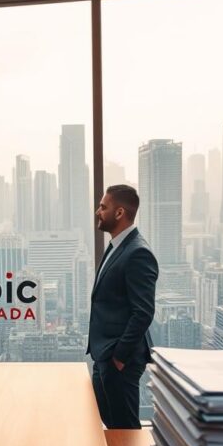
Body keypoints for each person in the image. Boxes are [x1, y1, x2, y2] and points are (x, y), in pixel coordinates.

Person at [87, 184, 159, 429]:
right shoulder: (117, 246)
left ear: (119, 213)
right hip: (105, 355)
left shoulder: (137, 253)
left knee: (125, 429)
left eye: (103, 207)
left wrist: (119, 357)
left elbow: (144, 312)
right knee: (110, 421)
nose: (98, 211)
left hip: (120, 358)